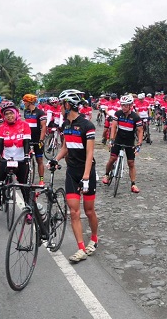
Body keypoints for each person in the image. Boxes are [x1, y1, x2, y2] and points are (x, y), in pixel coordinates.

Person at [51, 89, 99, 263]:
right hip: (71, 171)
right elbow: (65, 147)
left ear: (68, 104)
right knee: (73, 211)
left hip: (86, 172)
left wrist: (86, 177)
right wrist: (55, 159)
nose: (60, 107)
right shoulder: (65, 125)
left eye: (62, 104)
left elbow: (90, 153)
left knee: (89, 210)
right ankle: (80, 248)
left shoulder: (87, 126)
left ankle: (94, 238)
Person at [0, 102, 31, 211]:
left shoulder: (24, 125)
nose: (9, 116)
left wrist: (26, 155)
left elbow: (27, 142)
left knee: (24, 186)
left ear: (16, 113)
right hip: (6, 159)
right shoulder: (2, 127)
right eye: (6, 114)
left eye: (11, 113)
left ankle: (28, 211)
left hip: (21, 159)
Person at [102, 94, 143, 193]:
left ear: (130, 105)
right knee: (112, 158)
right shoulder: (118, 113)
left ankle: (133, 184)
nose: (123, 107)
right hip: (118, 139)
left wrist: (139, 143)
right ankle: (107, 174)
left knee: (131, 163)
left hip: (129, 141)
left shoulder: (135, 117)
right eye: (122, 105)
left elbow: (140, 131)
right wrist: (111, 139)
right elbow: (114, 126)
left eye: (126, 105)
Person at [22, 94, 47, 185]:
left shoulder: (40, 113)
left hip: (37, 139)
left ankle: (41, 179)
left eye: (25, 101)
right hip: (27, 138)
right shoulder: (26, 112)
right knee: (24, 159)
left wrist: (41, 140)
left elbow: (44, 127)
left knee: (39, 160)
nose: (23, 103)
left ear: (29, 102)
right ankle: (23, 177)